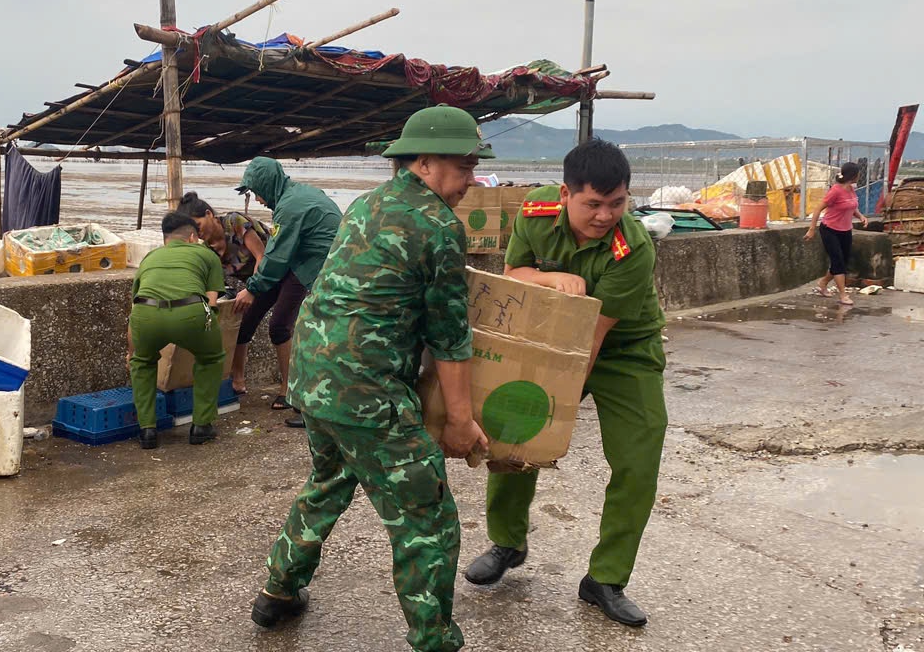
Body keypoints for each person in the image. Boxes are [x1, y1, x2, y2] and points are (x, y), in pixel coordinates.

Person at [251, 105, 490, 652]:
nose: (471, 181)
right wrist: (459, 421)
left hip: (314, 378)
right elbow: (451, 339)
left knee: (330, 480)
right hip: (367, 392)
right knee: (426, 516)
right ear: (425, 163)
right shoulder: (437, 226)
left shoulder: (366, 203)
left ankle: (278, 592)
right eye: (464, 167)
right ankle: (435, 640)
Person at [464, 139, 667, 628]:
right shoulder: (534, 213)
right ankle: (507, 542)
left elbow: (593, 340)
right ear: (565, 194)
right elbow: (513, 274)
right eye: (593, 204)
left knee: (639, 460)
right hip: (546, 336)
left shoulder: (633, 249)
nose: (605, 216)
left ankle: (606, 579)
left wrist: (561, 406)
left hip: (622, 349)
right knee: (516, 427)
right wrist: (553, 280)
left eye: (616, 203)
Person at [232, 156, 341, 427]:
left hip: (317, 262)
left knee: (281, 325)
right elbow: (278, 252)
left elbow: (278, 256)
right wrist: (254, 292)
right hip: (300, 258)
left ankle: (297, 395)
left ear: (268, 185)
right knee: (252, 310)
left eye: (257, 192)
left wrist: (253, 287)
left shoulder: (290, 206)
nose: (257, 200)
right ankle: (242, 381)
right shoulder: (293, 195)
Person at [127, 212, 226, 449]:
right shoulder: (206, 254)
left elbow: (135, 306)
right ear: (193, 237)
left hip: (146, 315)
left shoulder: (150, 258)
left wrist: (132, 352)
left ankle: (147, 431)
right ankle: (201, 426)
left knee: (142, 363)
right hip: (189, 312)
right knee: (211, 359)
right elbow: (212, 301)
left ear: (165, 240)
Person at [174, 191, 278, 391]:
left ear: (209, 214)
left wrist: (251, 290)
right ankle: (237, 378)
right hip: (258, 282)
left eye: (198, 226)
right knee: (241, 324)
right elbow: (209, 282)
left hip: (278, 271)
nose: (196, 233)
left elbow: (261, 257)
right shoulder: (207, 249)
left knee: (280, 326)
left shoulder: (234, 222)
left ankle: (286, 389)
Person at [805, 162, 868, 306]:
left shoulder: (851, 189)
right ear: (853, 175)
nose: (859, 175)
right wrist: (812, 229)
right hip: (830, 230)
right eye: (858, 173)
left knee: (842, 262)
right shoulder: (835, 191)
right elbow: (818, 209)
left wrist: (861, 216)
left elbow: (851, 206)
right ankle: (843, 295)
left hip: (845, 230)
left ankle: (823, 283)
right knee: (838, 262)